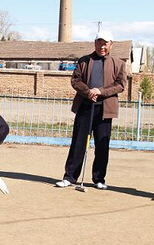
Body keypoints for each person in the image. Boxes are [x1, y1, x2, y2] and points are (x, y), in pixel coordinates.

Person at [55, 31, 127, 190]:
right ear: (95, 43)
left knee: (102, 146)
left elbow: (120, 85)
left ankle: (99, 178)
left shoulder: (119, 63)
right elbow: (75, 80)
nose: (102, 46)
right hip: (85, 107)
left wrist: (100, 91)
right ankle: (70, 177)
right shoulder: (84, 61)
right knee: (78, 144)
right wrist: (88, 92)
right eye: (99, 42)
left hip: (105, 109)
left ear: (111, 45)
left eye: (105, 43)